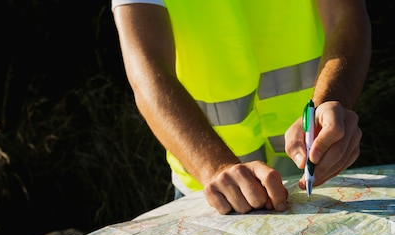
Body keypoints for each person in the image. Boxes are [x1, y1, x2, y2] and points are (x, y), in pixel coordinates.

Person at [112, 0, 371, 214]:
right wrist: (214, 167)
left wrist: (330, 101)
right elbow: (147, 71)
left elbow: (345, 15)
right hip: (209, 188)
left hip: (317, 168)